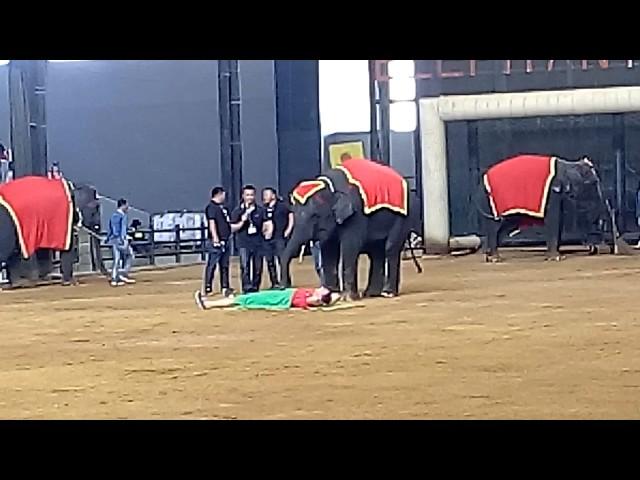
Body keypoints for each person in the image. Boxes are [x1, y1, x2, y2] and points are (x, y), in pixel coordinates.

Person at [203, 186, 248, 296]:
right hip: (217, 241)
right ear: (219, 194)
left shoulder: (223, 208)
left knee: (224, 265)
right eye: (223, 194)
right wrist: (215, 238)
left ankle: (225, 286)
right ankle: (208, 287)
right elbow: (212, 223)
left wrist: (241, 222)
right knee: (212, 264)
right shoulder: (211, 207)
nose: (225, 197)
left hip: (226, 239)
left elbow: (228, 226)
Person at [231, 185, 272, 293]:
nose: (250, 197)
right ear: (243, 196)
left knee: (258, 267)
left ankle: (255, 287)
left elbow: (267, 223)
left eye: (252, 195)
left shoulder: (260, 210)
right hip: (243, 243)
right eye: (247, 195)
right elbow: (233, 228)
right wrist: (243, 220)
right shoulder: (237, 211)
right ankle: (246, 288)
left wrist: (267, 233)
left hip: (258, 243)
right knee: (245, 266)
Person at [194, 286, 339, 311]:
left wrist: (322, 299)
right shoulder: (312, 293)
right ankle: (227, 299)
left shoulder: (312, 298)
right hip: (280, 296)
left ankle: (209, 304)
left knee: (244, 300)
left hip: (279, 298)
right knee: (247, 298)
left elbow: (330, 298)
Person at [262, 187, 293, 289]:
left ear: (273, 195)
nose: (264, 197)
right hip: (268, 239)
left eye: (267, 194)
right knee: (270, 261)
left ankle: (285, 281)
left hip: (280, 237)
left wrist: (288, 230)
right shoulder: (264, 208)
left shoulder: (282, 206)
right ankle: (274, 282)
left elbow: (291, 216)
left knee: (282, 260)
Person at [106, 198, 136, 287]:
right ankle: (117, 276)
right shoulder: (118, 215)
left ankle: (119, 275)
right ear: (123, 205)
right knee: (121, 258)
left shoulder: (120, 215)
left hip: (118, 239)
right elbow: (116, 229)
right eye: (126, 205)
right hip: (118, 240)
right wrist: (122, 238)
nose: (128, 207)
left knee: (122, 257)